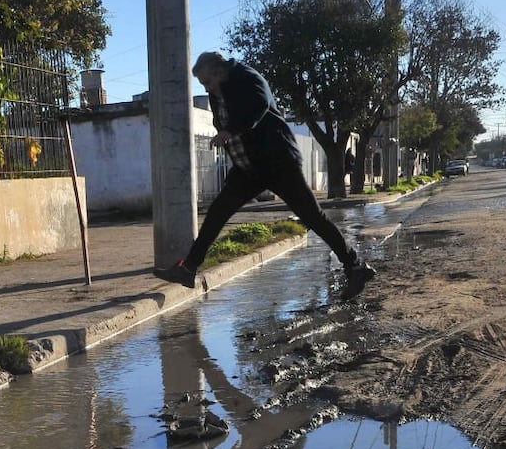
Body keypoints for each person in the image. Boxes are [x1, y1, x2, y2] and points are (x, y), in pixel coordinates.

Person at [153, 51, 376, 299]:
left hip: (278, 162)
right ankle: (188, 269)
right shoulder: (216, 94)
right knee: (217, 212)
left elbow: (257, 107)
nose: (206, 88)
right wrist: (228, 140)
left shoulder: (248, 78)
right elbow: (226, 125)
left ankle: (355, 267)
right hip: (248, 168)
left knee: (313, 216)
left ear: (219, 71)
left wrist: (230, 131)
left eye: (207, 82)